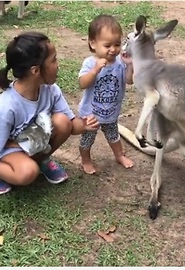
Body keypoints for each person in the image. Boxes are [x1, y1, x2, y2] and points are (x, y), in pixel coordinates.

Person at [0, 31, 100, 195]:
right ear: (35, 70)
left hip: (33, 140)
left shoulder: (50, 90)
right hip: (4, 148)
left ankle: (40, 160)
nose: (58, 64)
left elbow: (71, 126)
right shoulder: (5, 107)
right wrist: (27, 146)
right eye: (54, 60)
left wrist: (84, 125)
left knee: (62, 122)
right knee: (27, 173)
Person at [78, 14, 135, 175]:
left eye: (117, 44)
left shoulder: (120, 63)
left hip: (111, 112)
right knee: (87, 140)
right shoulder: (90, 63)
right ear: (93, 43)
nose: (113, 49)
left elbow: (129, 81)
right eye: (107, 45)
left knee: (114, 136)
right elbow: (82, 83)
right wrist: (95, 70)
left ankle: (119, 156)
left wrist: (130, 66)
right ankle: (86, 161)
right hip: (91, 115)